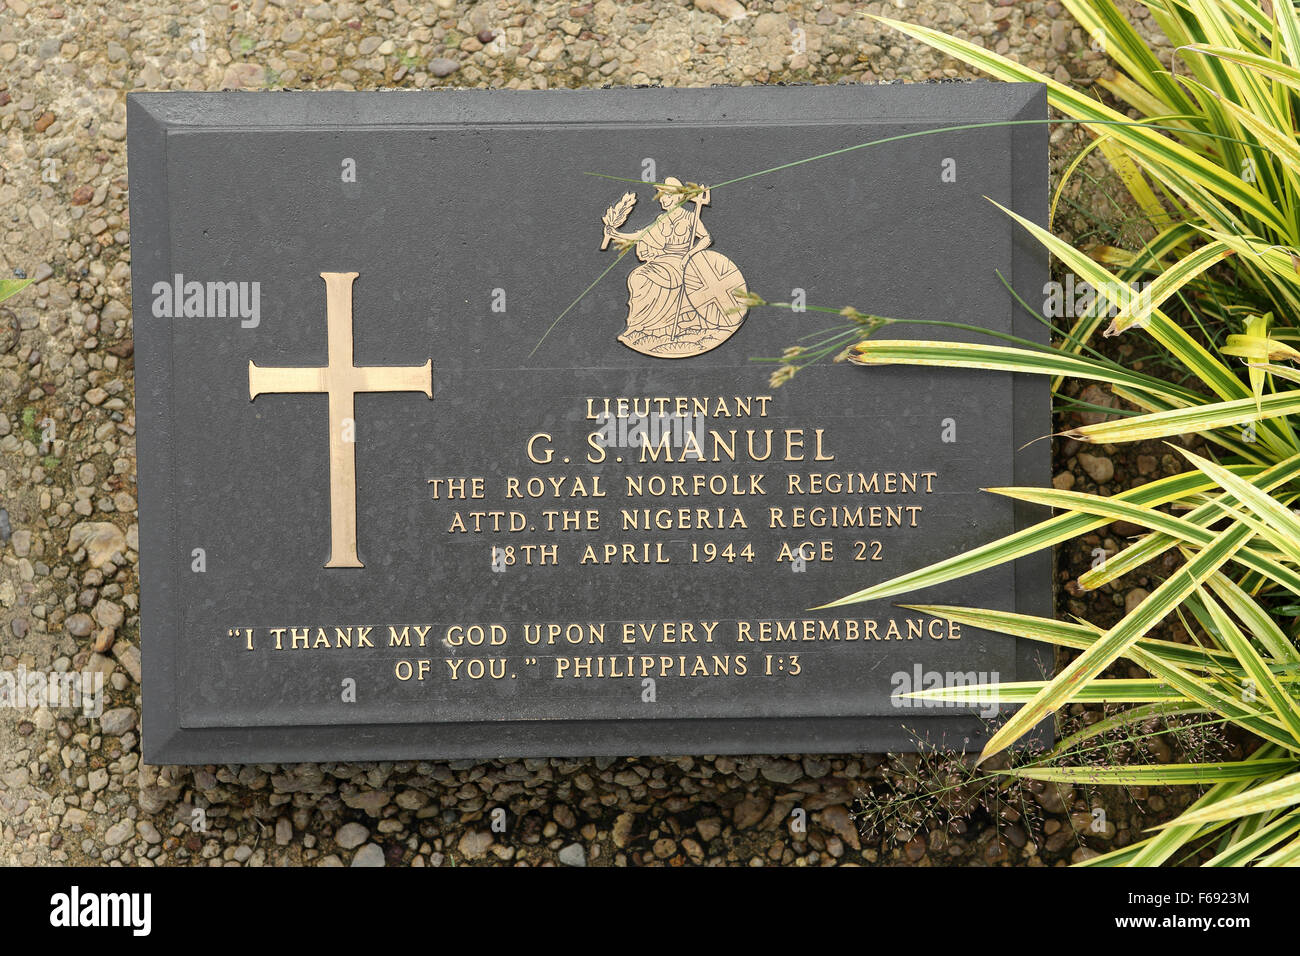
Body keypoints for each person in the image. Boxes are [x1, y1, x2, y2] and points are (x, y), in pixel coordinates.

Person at [602, 178, 711, 344]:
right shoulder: (662, 219)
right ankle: (642, 326)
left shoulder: (690, 217)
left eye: (666, 195)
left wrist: (691, 253)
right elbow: (641, 235)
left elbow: (706, 238)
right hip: (662, 261)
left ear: (677, 197)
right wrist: (617, 234)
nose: (661, 199)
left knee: (642, 278)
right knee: (637, 277)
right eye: (661, 195)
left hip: (681, 262)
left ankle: (646, 328)